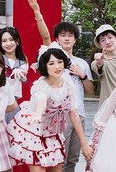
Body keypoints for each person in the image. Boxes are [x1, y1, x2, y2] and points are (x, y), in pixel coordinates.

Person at [28, 0, 94, 172]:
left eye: (70, 35)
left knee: (72, 159)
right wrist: (37, 12)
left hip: (78, 114)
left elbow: (90, 90)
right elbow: (45, 36)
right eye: (62, 35)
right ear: (57, 39)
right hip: (58, 118)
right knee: (59, 159)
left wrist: (82, 76)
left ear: (75, 39)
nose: (66, 38)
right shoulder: (53, 56)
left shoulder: (81, 63)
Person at [7, 43, 94, 171]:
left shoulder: (68, 84)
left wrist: (84, 144)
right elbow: (41, 100)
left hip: (53, 133)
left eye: (59, 62)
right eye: (51, 63)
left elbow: (74, 114)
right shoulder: (40, 86)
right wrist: (38, 113)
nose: (57, 67)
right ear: (45, 66)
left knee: (58, 170)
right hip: (34, 132)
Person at [0, 24, 29, 124]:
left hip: (13, 103)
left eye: (11, 39)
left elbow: (24, 78)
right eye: (4, 41)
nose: (8, 43)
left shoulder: (22, 61)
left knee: (13, 131)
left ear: (17, 41)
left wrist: (20, 73)